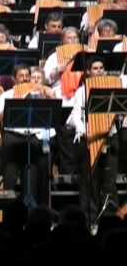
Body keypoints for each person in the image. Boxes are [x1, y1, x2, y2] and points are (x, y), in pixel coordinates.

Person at [67, 56, 126, 226]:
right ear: (88, 72)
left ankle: (109, 219)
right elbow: (74, 117)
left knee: (109, 181)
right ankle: (88, 218)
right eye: (95, 68)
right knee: (89, 181)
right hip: (88, 139)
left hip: (110, 136)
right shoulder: (82, 91)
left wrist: (120, 114)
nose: (99, 71)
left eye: (101, 68)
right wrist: (85, 132)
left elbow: (120, 114)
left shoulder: (114, 88)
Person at [0, 64, 53, 207]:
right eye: (21, 76)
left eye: (27, 75)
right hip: (13, 138)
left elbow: (49, 116)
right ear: (14, 79)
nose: (25, 79)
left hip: (32, 139)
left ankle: (30, 214)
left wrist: (46, 97)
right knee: (10, 178)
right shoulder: (6, 95)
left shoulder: (39, 95)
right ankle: (9, 215)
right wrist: (17, 102)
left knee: (30, 180)